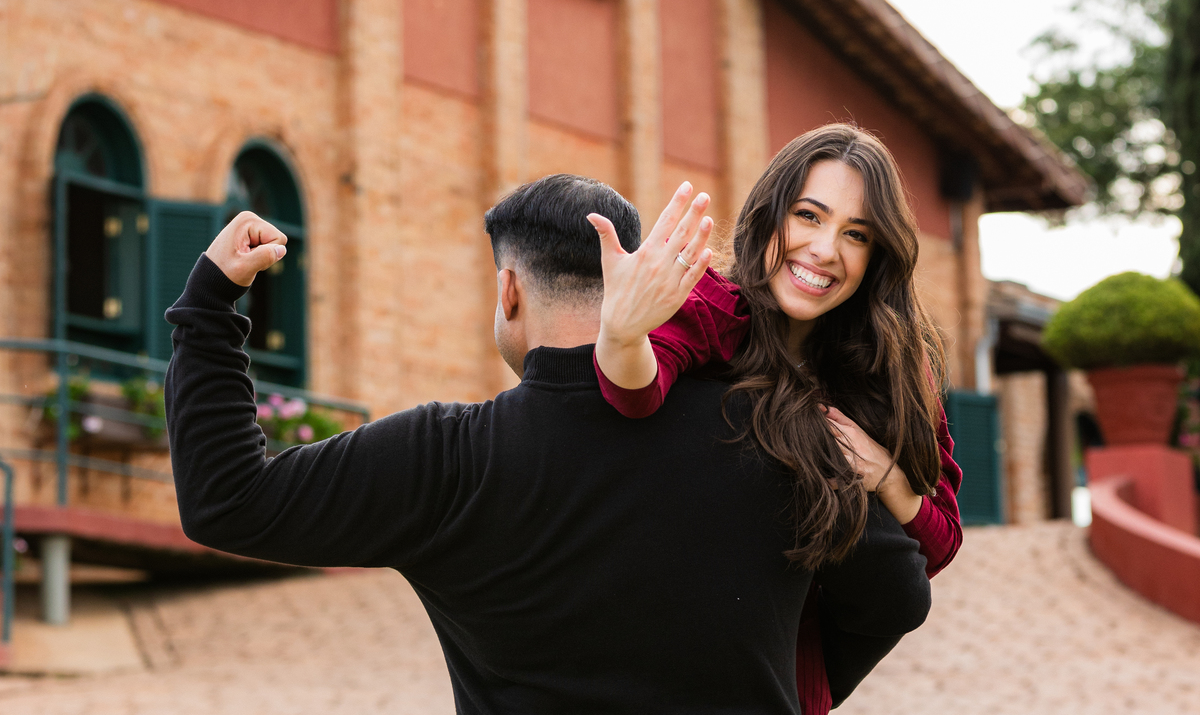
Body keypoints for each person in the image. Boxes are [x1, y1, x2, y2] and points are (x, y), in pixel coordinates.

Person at [165, 173, 931, 714]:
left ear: (510, 292)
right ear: (632, 280)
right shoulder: (779, 433)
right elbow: (898, 593)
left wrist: (210, 304)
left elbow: (228, 501)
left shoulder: (448, 459)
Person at [588, 125, 963, 712]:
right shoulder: (713, 307)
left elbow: (938, 546)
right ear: (770, 211)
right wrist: (621, 331)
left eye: (855, 234)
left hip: (792, 686)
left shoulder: (892, 366)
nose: (824, 249)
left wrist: (886, 474)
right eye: (809, 216)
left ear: (876, 256)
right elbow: (634, 389)